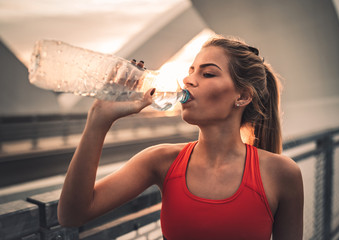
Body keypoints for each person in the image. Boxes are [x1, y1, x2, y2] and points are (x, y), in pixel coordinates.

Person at [58, 35, 304, 239]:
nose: (188, 80)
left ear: (242, 97)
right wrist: (98, 120)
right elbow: (72, 215)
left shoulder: (282, 173)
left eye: (207, 74)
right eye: (191, 71)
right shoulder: (160, 161)